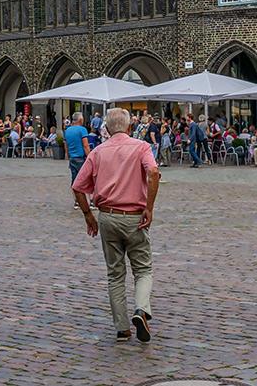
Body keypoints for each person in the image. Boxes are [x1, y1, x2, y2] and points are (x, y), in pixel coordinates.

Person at [70, 108, 160, 343]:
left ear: (107, 129)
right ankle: (141, 310)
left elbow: (78, 187)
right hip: (134, 217)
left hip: (107, 217)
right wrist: (149, 206)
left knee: (115, 273)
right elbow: (153, 172)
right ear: (129, 127)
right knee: (143, 269)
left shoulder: (98, 151)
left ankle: (122, 328)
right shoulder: (141, 147)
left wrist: (89, 215)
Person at [64, 113, 92, 183]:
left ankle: (76, 192)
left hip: (72, 158)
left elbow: (66, 144)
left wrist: (67, 155)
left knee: (75, 179)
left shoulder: (67, 130)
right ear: (80, 119)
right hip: (80, 158)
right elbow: (85, 145)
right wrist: (90, 157)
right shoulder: (82, 129)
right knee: (83, 180)